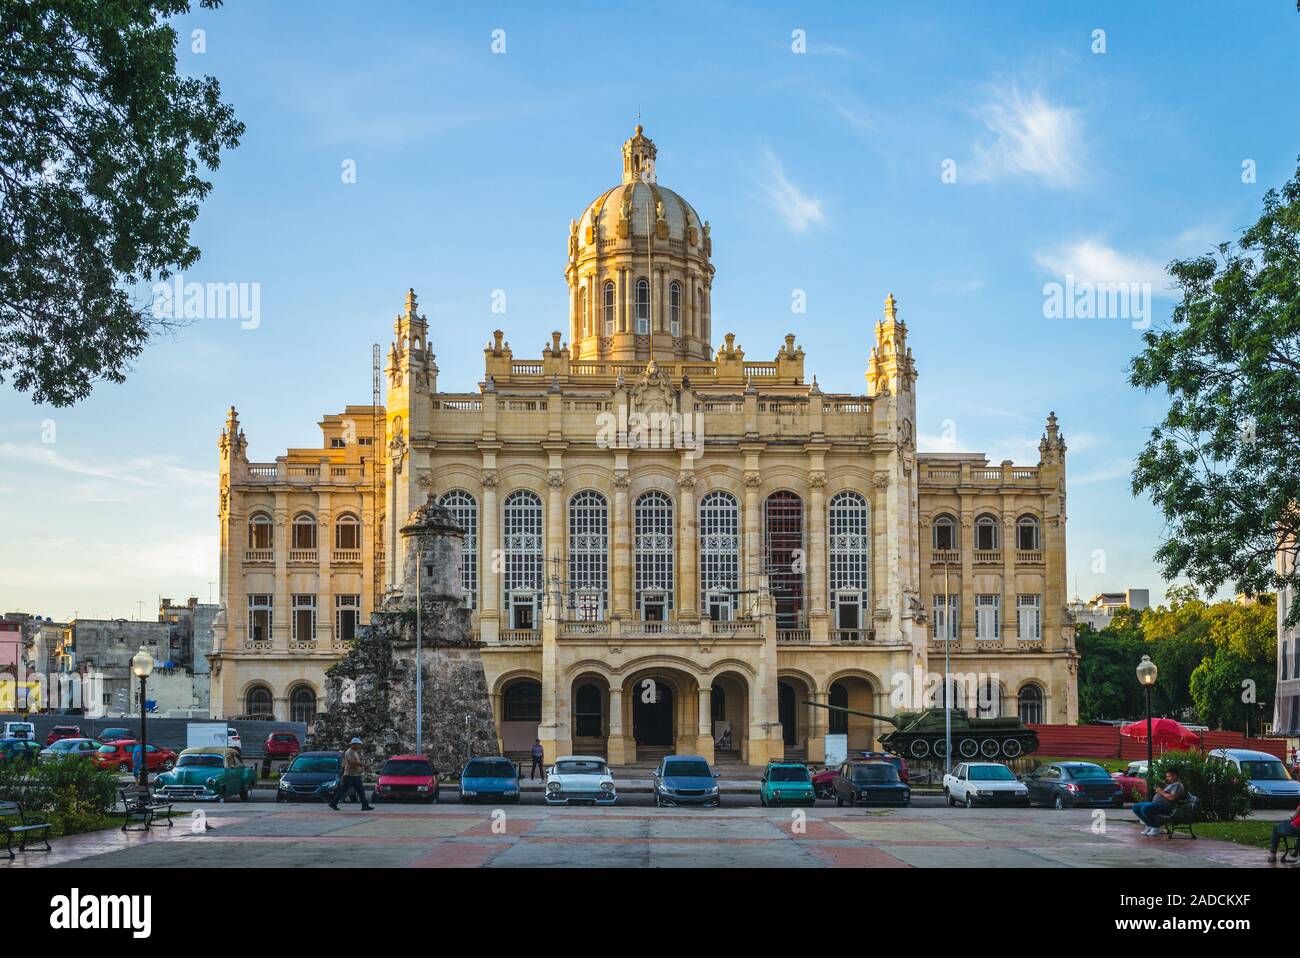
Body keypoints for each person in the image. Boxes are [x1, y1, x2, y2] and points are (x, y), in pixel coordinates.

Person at [1132, 768, 1186, 836]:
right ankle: (1149, 826)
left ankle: (1155, 828)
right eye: (1167, 776)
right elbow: (1167, 794)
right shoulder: (1172, 784)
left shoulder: (1177, 785)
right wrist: (1161, 791)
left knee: (1145, 808)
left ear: (1175, 776)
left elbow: (1172, 797)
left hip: (1166, 807)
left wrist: (1160, 792)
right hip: (1157, 804)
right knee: (1136, 807)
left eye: (1168, 776)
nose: (1167, 778)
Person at [329, 737, 373, 811]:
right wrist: (363, 765)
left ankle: (365, 805)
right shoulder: (349, 752)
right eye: (358, 744)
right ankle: (333, 803)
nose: (359, 746)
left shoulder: (355, 752)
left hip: (355, 774)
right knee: (344, 790)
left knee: (360, 791)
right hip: (349, 775)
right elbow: (352, 762)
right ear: (354, 744)